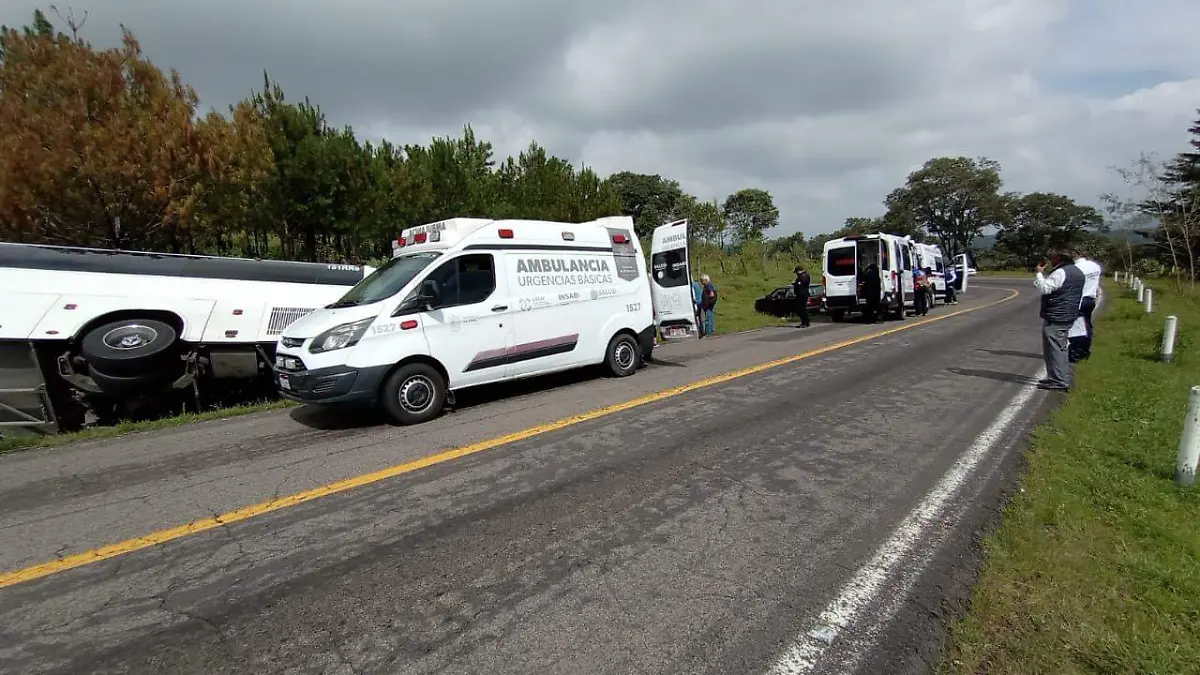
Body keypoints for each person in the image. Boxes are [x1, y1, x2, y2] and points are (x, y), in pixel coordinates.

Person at [1035, 250, 1086, 391]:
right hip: (1068, 313)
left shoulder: (1060, 272)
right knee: (1061, 347)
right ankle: (1057, 377)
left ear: (1059, 258)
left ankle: (1059, 380)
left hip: (1057, 315)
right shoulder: (1077, 271)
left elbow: (1045, 288)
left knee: (1054, 349)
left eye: (1053, 258)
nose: (1051, 261)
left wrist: (1039, 273)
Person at [1068, 249, 1103, 362]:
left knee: (1077, 328)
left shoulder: (1075, 269)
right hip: (1091, 299)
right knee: (1087, 326)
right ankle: (1085, 350)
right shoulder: (1095, 266)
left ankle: (1076, 353)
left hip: (1079, 300)